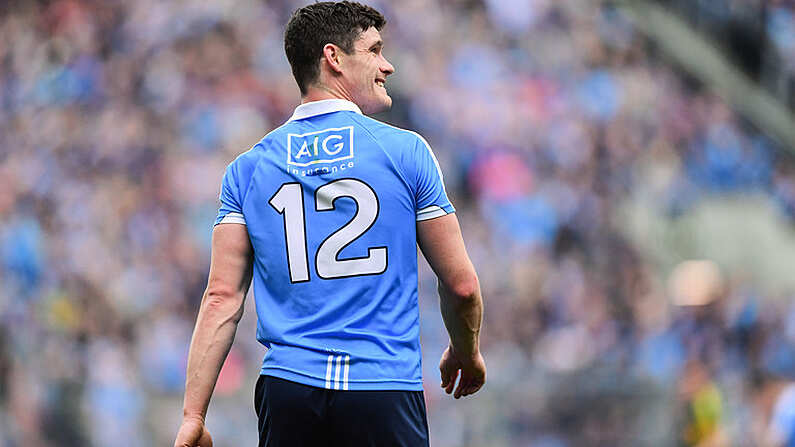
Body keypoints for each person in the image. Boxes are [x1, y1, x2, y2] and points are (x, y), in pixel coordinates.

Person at [173, 2, 485, 446]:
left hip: (290, 394)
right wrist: (466, 351)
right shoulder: (405, 152)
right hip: (382, 390)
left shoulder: (247, 169)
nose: (387, 64)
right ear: (334, 57)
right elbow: (462, 286)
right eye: (375, 50)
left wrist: (192, 415)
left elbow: (221, 298)